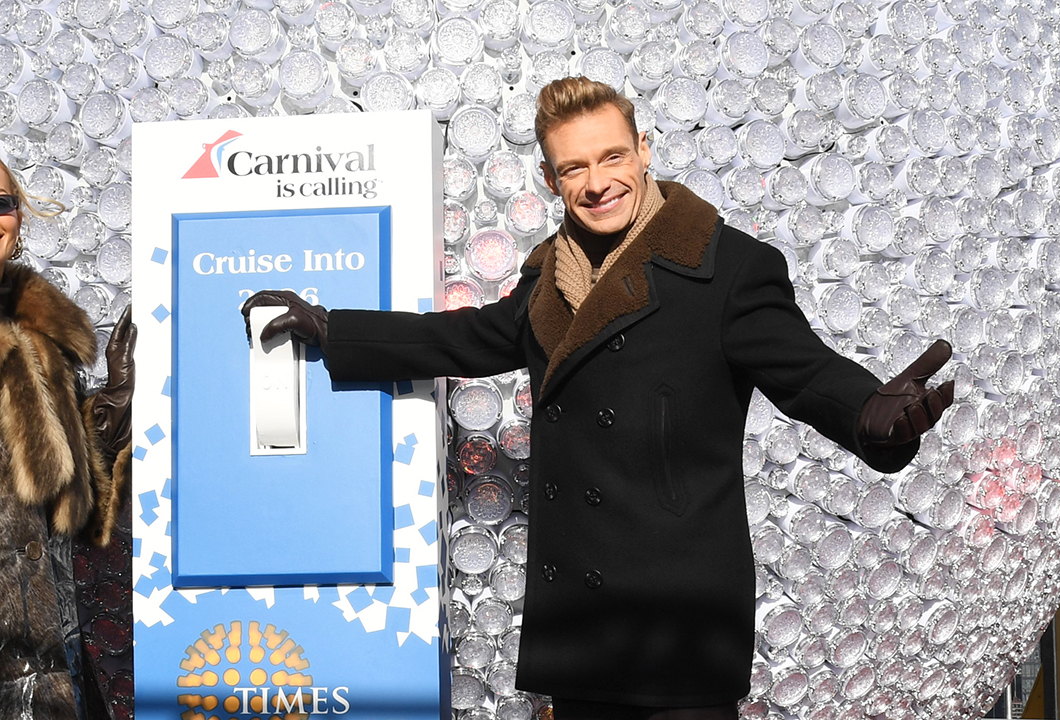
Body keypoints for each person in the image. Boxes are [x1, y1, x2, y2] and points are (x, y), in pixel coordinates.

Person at [243, 77, 953, 719]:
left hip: (682, 630)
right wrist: (334, 328)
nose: (597, 182)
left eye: (612, 157)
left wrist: (870, 416)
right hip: (582, 630)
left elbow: (805, 372)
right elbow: (460, 338)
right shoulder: (548, 281)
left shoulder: (730, 268)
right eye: (574, 167)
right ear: (551, 179)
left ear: (644, 151)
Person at [0, 159, 135, 720]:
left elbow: (71, 510)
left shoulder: (40, 338)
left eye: (2, 203)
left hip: (49, 653)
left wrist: (109, 410)